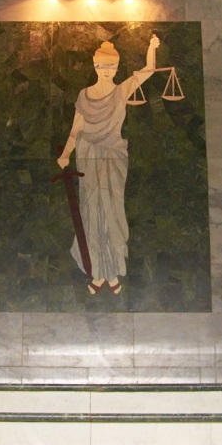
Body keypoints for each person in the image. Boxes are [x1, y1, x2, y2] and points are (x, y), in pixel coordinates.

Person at [57, 34, 160, 294]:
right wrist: (65, 153)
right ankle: (97, 273)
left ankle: (112, 272)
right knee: (91, 214)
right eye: (102, 66)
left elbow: (149, 70)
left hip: (113, 159)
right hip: (89, 158)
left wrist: (151, 47)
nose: (106, 71)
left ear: (116, 67)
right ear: (95, 66)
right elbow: (75, 130)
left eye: (111, 66)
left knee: (112, 212)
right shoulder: (84, 96)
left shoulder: (121, 91)